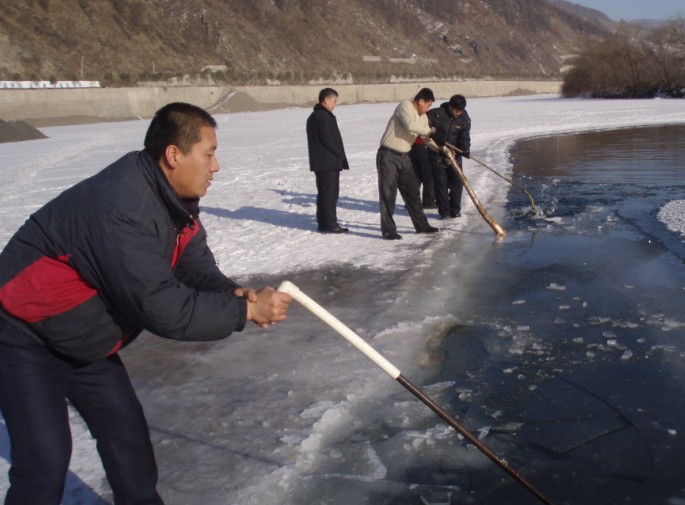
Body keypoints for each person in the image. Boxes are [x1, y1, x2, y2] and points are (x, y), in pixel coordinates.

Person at [0, 102, 293, 505]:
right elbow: (161, 308)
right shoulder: (122, 208)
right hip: (23, 334)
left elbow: (194, 269)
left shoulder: (172, 201)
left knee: (126, 437)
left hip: (83, 338)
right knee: (45, 459)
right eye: (209, 154)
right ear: (174, 155)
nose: (216, 166)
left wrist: (233, 294)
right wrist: (245, 312)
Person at [376, 87, 440, 240]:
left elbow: (426, 138)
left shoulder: (423, 117)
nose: (428, 109)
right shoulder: (404, 106)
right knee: (388, 194)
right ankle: (388, 230)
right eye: (428, 105)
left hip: (405, 157)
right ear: (420, 101)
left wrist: (441, 149)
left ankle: (421, 226)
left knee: (413, 193)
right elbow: (411, 125)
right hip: (388, 155)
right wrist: (430, 132)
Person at [306, 88, 350, 234]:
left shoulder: (314, 116)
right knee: (330, 194)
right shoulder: (323, 116)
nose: (335, 104)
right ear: (326, 100)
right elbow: (328, 139)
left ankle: (323, 222)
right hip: (328, 162)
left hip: (321, 162)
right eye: (333, 100)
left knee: (324, 193)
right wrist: (339, 154)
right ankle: (330, 224)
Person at [427, 94, 472, 219]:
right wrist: (435, 137)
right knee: (441, 184)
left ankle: (455, 210)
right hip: (437, 153)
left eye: (460, 111)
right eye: (455, 110)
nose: (457, 113)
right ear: (450, 106)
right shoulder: (436, 114)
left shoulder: (465, 120)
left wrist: (465, 150)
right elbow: (424, 129)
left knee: (457, 183)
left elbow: (464, 137)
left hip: (454, 155)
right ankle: (444, 211)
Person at [409, 136, 437, 209]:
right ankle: (429, 201)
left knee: (415, 176)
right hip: (424, 146)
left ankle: (412, 201)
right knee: (428, 176)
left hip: (412, 147)